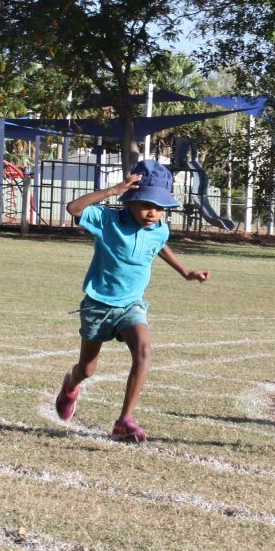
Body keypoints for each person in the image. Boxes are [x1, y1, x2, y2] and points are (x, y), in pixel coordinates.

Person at [53, 159, 209, 443]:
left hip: (131, 305)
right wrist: (112, 189)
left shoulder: (159, 228)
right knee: (87, 368)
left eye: (161, 208)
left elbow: (159, 244)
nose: (154, 213)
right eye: (147, 205)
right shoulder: (107, 220)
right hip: (98, 304)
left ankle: (124, 420)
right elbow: (74, 209)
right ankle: (71, 386)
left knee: (145, 350)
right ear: (130, 201)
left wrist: (186, 272)